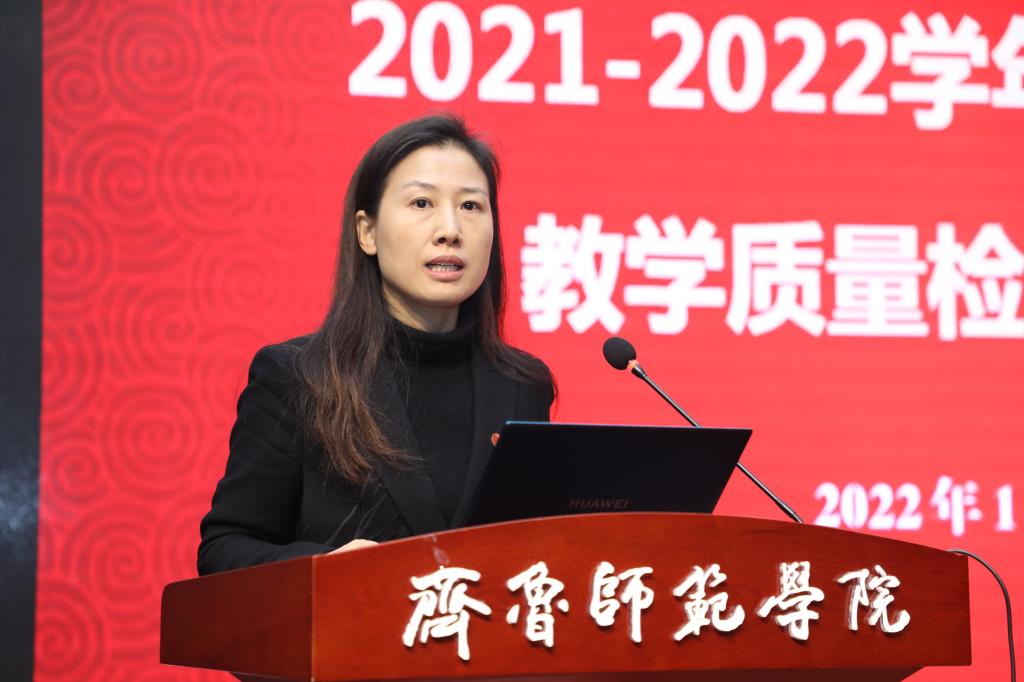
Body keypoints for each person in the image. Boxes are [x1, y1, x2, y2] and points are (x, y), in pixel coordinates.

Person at [197, 115, 555, 575]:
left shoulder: (523, 385)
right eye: (422, 202)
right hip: (347, 622)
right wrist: (328, 568)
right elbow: (224, 551)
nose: (450, 229)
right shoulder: (299, 377)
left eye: (471, 206)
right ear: (367, 232)